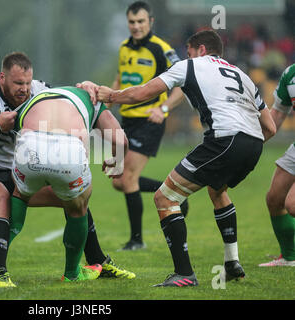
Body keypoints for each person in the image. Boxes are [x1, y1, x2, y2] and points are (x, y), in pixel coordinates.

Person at [96, 29, 276, 286]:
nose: (185, 56)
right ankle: (232, 262)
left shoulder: (189, 65)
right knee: (217, 190)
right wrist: (245, 147)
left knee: (165, 197)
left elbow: (142, 93)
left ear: (200, 50)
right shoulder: (242, 75)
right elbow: (269, 127)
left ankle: (184, 274)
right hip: (254, 143)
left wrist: (109, 95)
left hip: (223, 140)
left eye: (189, 52)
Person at [0, 52, 135, 288]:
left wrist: (86, 85)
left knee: (74, 200)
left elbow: (65, 100)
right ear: (2, 78)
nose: (24, 89)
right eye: (17, 83)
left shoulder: (40, 90)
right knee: (1, 199)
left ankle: (98, 260)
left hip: (19, 166)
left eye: (27, 83)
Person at [12, 86, 128, 281]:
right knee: (79, 206)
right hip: (68, 149)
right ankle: (72, 273)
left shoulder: (36, 98)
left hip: (30, 144)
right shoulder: (94, 102)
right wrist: (116, 161)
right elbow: (121, 140)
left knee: (19, 195)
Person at [109, 1, 187, 251]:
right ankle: (173, 194)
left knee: (129, 177)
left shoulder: (161, 49)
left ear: (150, 22)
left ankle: (136, 241)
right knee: (117, 180)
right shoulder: (123, 48)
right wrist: (110, 98)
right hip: (127, 120)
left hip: (149, 121)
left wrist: (163, 109)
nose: (136, 26)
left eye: (141, 21)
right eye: (132, 22)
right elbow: (121, 77)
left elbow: (183, 86)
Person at [259, 64, 295, 267]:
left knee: (293, 204)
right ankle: (289, 258)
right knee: (275, 198)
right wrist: (253, 143)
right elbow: (279, 114)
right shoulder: (290, 74)